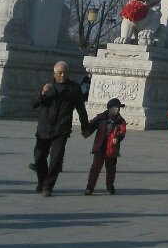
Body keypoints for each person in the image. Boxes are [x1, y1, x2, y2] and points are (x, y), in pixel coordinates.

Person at [31, 60, 89, 196]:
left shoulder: (74, 88)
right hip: (44, 128)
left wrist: (85, 128)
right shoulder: (47, 85)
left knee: (56, 159)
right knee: (39, 157)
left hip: (61, 129)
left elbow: (81, 109)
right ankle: (42, 180)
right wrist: (42, 94)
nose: (63, 75)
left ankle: (48, 186)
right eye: (60, 73)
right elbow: (33, 103)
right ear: (54, 73)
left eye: (65, 72)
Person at [83, 98, 127, 194]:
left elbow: (122, 131)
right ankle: (90, 187)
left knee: (111, 169)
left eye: (119, 107)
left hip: (112, 148)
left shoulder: (121, 121)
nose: (118, 109)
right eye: (115, 107)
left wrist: (118, 137)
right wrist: (85, 131)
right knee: (95, 168)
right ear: (109, 108)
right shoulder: (101, 118)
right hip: (100, 147)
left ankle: (110, 186)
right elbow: (90, 126)